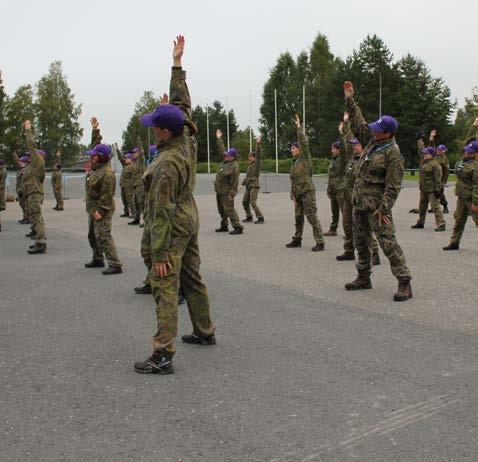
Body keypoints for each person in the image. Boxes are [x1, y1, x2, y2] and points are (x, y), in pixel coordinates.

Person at [134, 35, 215, 374]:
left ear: (165, 133)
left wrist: (160, 254)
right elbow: (183, 106)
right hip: (189, 218)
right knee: (192, 276)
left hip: (173, 224)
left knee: (166, 282)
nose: (153, 131)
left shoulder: (166, 164)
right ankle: (204, 330)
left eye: (155, 127)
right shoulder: (186, 136)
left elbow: (161, 213)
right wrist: (177, 65)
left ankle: (162, 353)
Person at [343, 81, 412, 301]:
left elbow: (394, 185)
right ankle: (363, 276)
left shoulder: (393, 154)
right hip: (359, 204)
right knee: (360, 242)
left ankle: (404, 282)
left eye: (378, 130)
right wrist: (350, 99)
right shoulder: (373, 143)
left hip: (377, 209)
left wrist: (384, 208)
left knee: (388, 244)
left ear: (388, 134)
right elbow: (359, 124)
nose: (373, 131)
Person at [336, 113, 380, 265]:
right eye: (353, 145)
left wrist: (349, 123)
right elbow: (346, 143)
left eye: (356, 144)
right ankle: (349, 250)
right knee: (347, 224)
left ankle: (374, 252)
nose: (354, 146)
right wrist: (344, 128)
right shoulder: (350, 159)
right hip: (349, 197)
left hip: (363, 198)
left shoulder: (367, 160)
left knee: (365, 228)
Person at [84, 116, 123, 275]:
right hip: (93, 209)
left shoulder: (106, 173)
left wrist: (100, 211)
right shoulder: (97, 167)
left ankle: (115, 264)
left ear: (100, 157)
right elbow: (96, 146)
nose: (91, 157)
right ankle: (98, 258)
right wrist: (95, 130)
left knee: (103, 235)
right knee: (92, 235)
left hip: (102, 209)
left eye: (94, 155)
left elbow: (107, 195)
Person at [286, 114, 325, 251]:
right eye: (291, 148)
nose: (292, 150)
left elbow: (304, 143)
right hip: (298, 194)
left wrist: (299, 128)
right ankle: (297, 239)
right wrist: (292, 193)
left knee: (311, 216)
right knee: (298, 217)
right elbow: (294, 180)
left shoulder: (304, 159)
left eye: (293, 148)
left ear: (299, 150)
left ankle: (320, 242)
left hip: (307, 192)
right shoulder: (294, 164)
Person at [443, 140, 478, 250]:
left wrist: (476, 202)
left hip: (472, 198)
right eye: (467, 151)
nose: (467, 153)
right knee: (459, 220)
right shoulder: (463, 161)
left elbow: (477, 185)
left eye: (471, 152)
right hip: (462, 196)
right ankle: (454, 242)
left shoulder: (476, 166)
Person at [23, 120, 47, 255]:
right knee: (36, 216)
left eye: (30, 154)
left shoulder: (37, 161)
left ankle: (41, 242)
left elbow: (31, 145)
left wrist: (28, 130)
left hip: (34, 193)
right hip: (32, 192)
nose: (29, 155)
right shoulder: (34, 164)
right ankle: (39, 240)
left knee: (37, 217)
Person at [214, 129, 243, 235]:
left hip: (227, 192)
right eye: (225, 154)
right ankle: (224, 225)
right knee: (221, 210)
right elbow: (221, 149)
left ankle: (238, 227)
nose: (226, 156)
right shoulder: (224, 161)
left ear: (233, 157)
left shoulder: (234, 167)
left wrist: (232, 194)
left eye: (228, 155)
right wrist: (219, 138)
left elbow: (235, 182)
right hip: (219, 191)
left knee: (229, 209)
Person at [410, 146, 446, 231]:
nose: (424, 155)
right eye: (424, 153)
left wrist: (438, 190)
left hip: (432, 190)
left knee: (435, 207)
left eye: (427, 153)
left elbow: (438, 178)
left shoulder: (435, 164)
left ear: (432, 154)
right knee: (422, 207)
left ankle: (441, 224)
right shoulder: (424, 162)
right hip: (423, 189)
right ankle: (420, 223)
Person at [241, 136, 265, 223]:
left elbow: (258, 154)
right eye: (249, 156)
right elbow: (247, 177)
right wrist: (243, 183)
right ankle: (249, 216)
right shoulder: (249, 166)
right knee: (244, 202)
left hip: (254, 185)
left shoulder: (256, 164)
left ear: (254, 157)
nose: (249, 157)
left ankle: (260, 217)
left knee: (253, 202)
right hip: (248, 186)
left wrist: (258, 144)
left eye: (251, 156)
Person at [324, 140, 345, 236]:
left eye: (334, 149)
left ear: (339, 150)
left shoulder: (342, 160)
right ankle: (333, 229)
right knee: (334, 210)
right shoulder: (333, 160)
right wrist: (329, 188)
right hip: (333, 189)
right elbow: (331, 176)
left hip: (340, 189)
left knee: (344, 211)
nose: (331, 150)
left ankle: (349, 231)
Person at [128, 134, 146, 226]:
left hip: (141, 186)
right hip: (135, 186)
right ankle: (137, 218)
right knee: (135, 202)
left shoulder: (140, 161)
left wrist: (139, 140)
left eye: (134, 153)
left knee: (141, 203)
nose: (132, 154)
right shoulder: (134, 163)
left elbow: (141, 151)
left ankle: (144, 220)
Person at [12, 153, 29, 224]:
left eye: (22, 162)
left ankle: (27, 218)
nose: (20, 163)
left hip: (23, 191)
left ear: (25, 162)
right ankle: (25, 217)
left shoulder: (25, 170)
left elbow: (24, 182)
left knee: (25, 204)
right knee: (22, 204)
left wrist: (22, 190)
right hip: (20, 190)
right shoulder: (22, 170)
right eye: (20, 161)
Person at [116, 143, 132, 218]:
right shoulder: (124, 165)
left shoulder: (132, 166)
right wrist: (117, 150)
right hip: (123, 185)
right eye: (125, 158)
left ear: (130, 158)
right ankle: (126, 212)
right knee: (124, 200)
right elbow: (120, 158)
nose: (125, 159)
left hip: (129, 186)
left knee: (130, 200)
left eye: (127, 158)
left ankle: (133, 213)